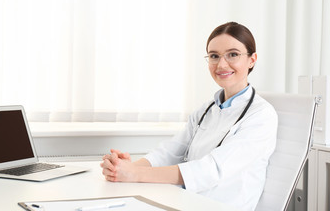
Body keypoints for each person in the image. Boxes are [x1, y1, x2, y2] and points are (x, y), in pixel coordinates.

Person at [100, 22, 278, 211]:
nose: (221, 64)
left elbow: (211, 170)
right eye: (214, 56)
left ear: (252, 59)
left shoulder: (262, 116)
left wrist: (135, 174)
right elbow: (171, 151)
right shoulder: (207, 109)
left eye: (233, 54)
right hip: (185, 200)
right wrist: (123, 168)